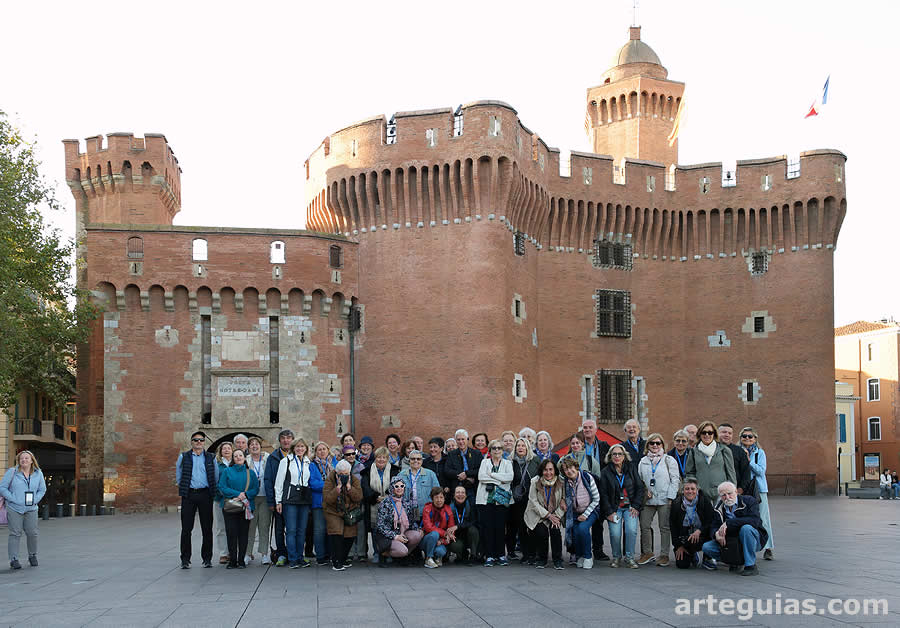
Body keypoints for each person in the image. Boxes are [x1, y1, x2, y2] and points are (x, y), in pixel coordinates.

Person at [701, 481, 768, 576]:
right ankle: (735, 561)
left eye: (729, 493)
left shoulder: (749, 501)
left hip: (752, 539)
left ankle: (750, 566)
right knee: (707, 547)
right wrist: (716, 534)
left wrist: (729, 522)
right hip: (731, 541)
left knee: (746, 528)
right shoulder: (718, 508)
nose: (727, 497)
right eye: (723, 495)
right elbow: (713, 526)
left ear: (736, 492)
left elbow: (755, 520)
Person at [175, 432, 218, 569]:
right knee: (186, 528)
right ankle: (185, 559)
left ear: (204, 442)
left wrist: (212, 490)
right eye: (195, 440)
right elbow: (179, 475)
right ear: (191, 442)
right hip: (189, 495)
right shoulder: (184, 457)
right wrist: (185, 488)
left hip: (205, 494)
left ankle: (207, 558)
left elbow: (215, 476)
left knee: (207, 528)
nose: (198, 442)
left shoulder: (211, 457)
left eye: (201, 440)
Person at [598, 443, 645, 568]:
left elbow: (640, 488)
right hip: (614, 508)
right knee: (615, 533)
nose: (617, 456)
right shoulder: (606, 472)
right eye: (614, 454)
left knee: (631, 530)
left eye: (620, 454)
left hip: (630, 507)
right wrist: (609, 512)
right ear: (610, 456)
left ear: (624, 456)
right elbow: (603, 494)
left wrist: (636, 506)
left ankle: (629, 558)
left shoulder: (631, 468)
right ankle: (616, 557)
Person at [636, 433, 680, 566]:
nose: (655, 445)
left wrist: (671, 497)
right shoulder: (643, 461)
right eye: (652, 443)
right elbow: (639, 480)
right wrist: (644, 491)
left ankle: (664, 554)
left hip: (664, 498)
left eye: (658, 443)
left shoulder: (669, 460)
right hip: (648, 500)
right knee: (644, 526)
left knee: (664, 527)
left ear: (662, 445)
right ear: (647, 445)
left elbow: (675, 479)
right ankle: (648, 552)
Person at [1, 450, 47, 570]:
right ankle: (14, 559)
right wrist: (13, 499)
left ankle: (32, 555)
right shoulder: (12, 472)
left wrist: (35, 500)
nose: (24, 460)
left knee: (32, 533)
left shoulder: (38, 473)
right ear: (18, 460)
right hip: (14, 507)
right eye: (22, 458)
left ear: (32, 460)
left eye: (27, 458)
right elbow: (3, 488)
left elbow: (42, 489)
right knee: (15, 533)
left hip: (31, 508)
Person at [274, 439, 314, 568]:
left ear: (306, 448)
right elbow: (279, 483)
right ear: (293, 448)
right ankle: (292, 559)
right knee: (291, 530)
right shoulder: (285, 461)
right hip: (289, 499)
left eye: (302, 446)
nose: (300, 449)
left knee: (302, 530)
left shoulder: (308, 462)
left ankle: (300, 557)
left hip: (304, 499)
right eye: (297, 446)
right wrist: (278, 501)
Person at [476, 439, 515, 566]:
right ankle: (490, 556)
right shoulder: (484, 462)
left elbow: (509, 477)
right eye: (494, 448)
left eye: (499, 448)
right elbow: (481, 477)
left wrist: (492, 476)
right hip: (486, 500)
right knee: (488, 528)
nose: (497, 450)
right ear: (490, 451)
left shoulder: (507, 463)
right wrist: (500, 480)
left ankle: (501, 555)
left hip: (501, 500)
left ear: (502, 451)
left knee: (500, 528)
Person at [219, 449, 259, 569]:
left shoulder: (250, 473)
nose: (238, 457)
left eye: (240, 455)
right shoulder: (227, 471)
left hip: (245, 507)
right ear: (233, 458)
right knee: (231, 533)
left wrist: (245, 495)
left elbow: (255, 488)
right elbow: (222, 486)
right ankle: (232, 560)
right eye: (235, 456)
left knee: (243, 534)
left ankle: (241, 560)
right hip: (230, 507)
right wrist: (237, 494)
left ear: (244, 458)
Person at [523, 458, 566, 569]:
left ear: (555, 470)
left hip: (555, 513)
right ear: (541, 471)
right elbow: (533, 501)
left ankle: (558, 559)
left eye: (551, 469)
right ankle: (542, 559)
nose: (548, 473)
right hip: (538, 514)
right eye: (545, 470)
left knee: (555, 530)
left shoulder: (561, 482)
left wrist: (556, 516)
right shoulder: (535, 482)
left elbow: (564, 500)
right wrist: (548, 515)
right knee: (542, 532)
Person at [558, 456, 600, 569]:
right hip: (575, 512)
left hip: (590, 510)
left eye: (570, 467)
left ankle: (588, 556)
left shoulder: (587, 477)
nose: (569, 471)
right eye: (565, 469)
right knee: (575, 533)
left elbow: (596, 499)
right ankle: (579, 555)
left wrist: (586, 514)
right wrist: (562, 500)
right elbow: (563, 495)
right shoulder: (565, 482)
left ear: (576, 467)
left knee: (582, 529)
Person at [740, 426, 775, 560]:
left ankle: (768, 547)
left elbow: (761, 471)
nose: (747, 438)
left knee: (764, 519)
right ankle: (746, 547)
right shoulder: (738, 451)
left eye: (750, 436)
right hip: (744, 489)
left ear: (755, 439)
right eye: (744, 436)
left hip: (759, 489)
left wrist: (749, 461)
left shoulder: (760, 453)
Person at [322, 460, 363, 571]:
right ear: (336, 473)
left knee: (350, 535)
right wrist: (338, 488)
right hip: (333, 511)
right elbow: (328, 499)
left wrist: (350, 488)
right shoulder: (330, 479)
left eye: (346, 474)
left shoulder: (354, 479)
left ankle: (343, 558)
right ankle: (336, 561)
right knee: (336, 533)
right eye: (341, 474)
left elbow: (359, 497)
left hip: (349, 511)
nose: (344, 476)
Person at [362, 447, 400, 564]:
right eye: (379, 457)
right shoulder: (367, 471)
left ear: (388, 458)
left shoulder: (394, 470)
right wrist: (375, 497)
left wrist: (387, 498)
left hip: (390, 504)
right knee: (375, 530)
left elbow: (396, 485)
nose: (381, 459)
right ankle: (377, 552)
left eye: (384, 457)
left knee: (390, 528)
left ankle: (388, 552)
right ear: (375, 458)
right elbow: (365, 487)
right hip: (374, 505)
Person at [374, 476, 424, 565]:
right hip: (388, 536)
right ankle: (385, 554)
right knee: (402, 551)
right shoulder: (385, 503)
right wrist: (395, 536)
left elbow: (411, 522)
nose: (399, 488)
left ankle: (403, 556)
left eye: (402, 486)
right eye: (396, 486)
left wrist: (418, 529)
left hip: (402, 532)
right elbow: (380, 525)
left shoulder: (406, 502)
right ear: (392, 488)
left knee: (417, 535)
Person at [581, 419, 611, 561]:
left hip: (600, 486)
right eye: (585, 428)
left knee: (598, 520)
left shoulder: (604, 446)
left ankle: (598, 550)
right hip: (582, 488)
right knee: (582, 518)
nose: (587, 430)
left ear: (596, 429)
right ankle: (580, 550)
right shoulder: (578, 445)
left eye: (590, 427)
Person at [685, 420, 735, 504]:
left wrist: (732, 490)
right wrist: (696, 487)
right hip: (702, 493)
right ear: (699, 434)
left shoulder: (724, 450)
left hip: (722, 493)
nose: (707, 435)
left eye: (710, 432)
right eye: (704, 432)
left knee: (721, 516)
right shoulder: (694, 451)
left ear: (714, 434)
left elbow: (731, 472)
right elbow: (690, 472)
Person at [669, 478, 715, 569]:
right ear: (683, 491)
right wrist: (678, 546)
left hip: (702, 535)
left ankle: (708, 557)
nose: (690, 491)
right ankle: (692, 554)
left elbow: (710, 521)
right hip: (685, 538)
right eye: (687, 489)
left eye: (693, 489)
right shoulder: (676, 504)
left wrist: (700, 531)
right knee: (682, 565)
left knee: (710, 533)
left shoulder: (704, 501)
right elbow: (673, 527)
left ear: (697, 490)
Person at [263, 429, 294, 566]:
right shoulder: (273, 457)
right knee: (279, 528)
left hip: (294, 499)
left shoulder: (298, 455)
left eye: (288, 438)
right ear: (279, 440)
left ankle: (294, 553)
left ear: (292, 440)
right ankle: (281, 553)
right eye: (283, 438)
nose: (286, 440)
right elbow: (268, 480)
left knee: (293, 528)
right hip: (279, 499)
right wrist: (271, 500)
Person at [511, 437, 536, 563]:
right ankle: (526, 554)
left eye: (523, 445)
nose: (520, 448)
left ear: (527, 447)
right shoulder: (511, 462)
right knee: (521, 527)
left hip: (531, 499)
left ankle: (534, 553)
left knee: (531, 526)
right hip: (517, 500)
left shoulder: (534, 460)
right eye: (518, 446)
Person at [246, 437, 270, 565]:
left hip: (265, 496)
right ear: (248, 447)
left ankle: (264, 554)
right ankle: (248, 553)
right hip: (251, 498)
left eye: (256, 444)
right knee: (250, 526)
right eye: (251, 445)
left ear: (260, 446)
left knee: (264, 526)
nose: (254, 446)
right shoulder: (246, 460)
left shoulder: (267, 458)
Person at [398, 449, 441, 521]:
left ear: (422, 461)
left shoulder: (430, 474)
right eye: (413, 459)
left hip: (426, 512)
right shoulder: (401, 475)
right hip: (406, 513)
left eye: (418, 459)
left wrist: (431, 506)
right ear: (409, 461)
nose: (416, 461)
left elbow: (437, 493)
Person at [444, 429, 482, 504]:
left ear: (467, 440)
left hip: (472, 488)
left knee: (472, 512)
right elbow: (447, 470)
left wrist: (467, 473)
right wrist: (462, 475)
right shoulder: (452, 454)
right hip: (457, 487)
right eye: (458, 440)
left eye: (463, 439)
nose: (461, 442)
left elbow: (480, 470)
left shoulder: (476, 453)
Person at [343, 446, 367, 561]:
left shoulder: (361, 466)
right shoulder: (341, 466)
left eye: (353, 454)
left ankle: (362, 553)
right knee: (349, 527)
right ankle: (350, 552)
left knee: (361, 528)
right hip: (346, 502)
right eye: (348, 454)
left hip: (359, 501)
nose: (351, 456)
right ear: (344, 456)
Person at [310, 441, 333, 565]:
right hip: (318, 502)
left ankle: (329, 553)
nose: (322, 451)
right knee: (319, 530)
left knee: (331, 529)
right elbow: (313, 483)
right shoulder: (312, 465)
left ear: (328, 450)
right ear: (316, 452)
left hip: (332, 502)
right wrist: (329, 485)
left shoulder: (333, 463)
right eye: (319, 450)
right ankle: (320, 555)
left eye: (324, 449)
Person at [421, 487, 453, 568]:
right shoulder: (427, 509)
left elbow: (451, 530)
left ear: (444, 498)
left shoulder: (448, 510)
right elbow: (428, 527)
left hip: (441, 540)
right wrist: (444, 533)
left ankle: (437, 557)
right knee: (434, 534)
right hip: (427, 539)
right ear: (432, 498)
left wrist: (442, 541)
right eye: (436, 497)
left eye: (441, 497)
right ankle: (429, 558)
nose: (439, 500)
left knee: (440, 552)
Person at [446, 485, 479, 564]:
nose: (460, 494)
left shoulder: (471, 506)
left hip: (467, 534)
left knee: (473, 530)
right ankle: (461, 554)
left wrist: (458, 526)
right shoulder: (449, 507)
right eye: (458, 492)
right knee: (456, 546)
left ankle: (473, 555)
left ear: (466, 495)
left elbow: (473, 521)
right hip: (456, 536)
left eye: (462, 492)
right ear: (454, 495)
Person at [718, 423, 753, 496]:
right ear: (717, 433)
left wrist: (741, 489)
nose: (727, 435)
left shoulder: (740, 451)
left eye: (730, 433)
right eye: (724, 432)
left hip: (734, 491)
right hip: (715, 491)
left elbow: (746, 473)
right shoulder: (711, 450)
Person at [214, 441, 233, 564]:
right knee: (221, 527)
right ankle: (223, 553)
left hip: (234, 499)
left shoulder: (236, 462)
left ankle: (233, 551)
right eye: (224, 449)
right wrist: (222, 492)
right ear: (220, 451)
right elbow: (213, 480)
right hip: (219, 499)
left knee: (233, 527)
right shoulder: (216, 464)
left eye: (228, 448)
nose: (226, 450)